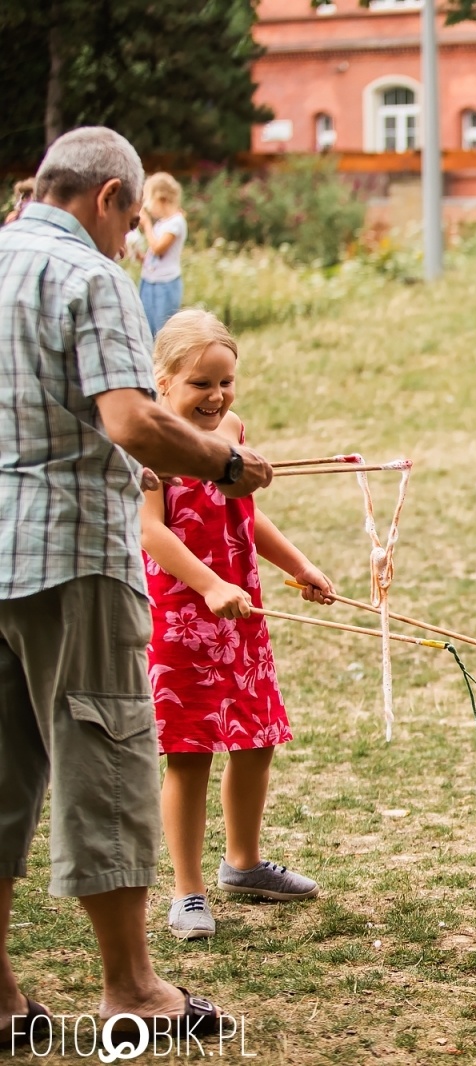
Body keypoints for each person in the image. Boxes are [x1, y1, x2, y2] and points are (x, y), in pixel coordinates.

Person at [1, 126, 273, 1037]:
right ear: (111, 197)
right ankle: (133, 990)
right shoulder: (90, 277)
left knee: (1, 779)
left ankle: (2, 997)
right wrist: (221, 465)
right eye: (129, 220)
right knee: (107, 761)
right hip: (70, 558)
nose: (131, 239)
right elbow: (129, 419)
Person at [140, 310, 334, 941]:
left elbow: (248, 515)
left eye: (226, 381)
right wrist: (208, 584)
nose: (217, 396)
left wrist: (300, 564)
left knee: (256, 738)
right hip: (180, 612)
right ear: (163, 380)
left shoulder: (233, 431)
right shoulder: (145, 443)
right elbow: (150, 531)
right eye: (201, 383)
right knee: (189, 752)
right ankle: (188, 892)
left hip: (240, 608)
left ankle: (244, 864)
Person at [136, 172, 186, 336]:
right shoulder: (162, 223)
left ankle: (162, 362)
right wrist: (143, 258)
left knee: (162, 331)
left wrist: (147, 226)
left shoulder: (176, 223)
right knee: (145, 326)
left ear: (161, 199)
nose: (147, 207)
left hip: (165, 285)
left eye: (149, 201)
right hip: (149, 281)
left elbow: (158, 248)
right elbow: (156, 256)